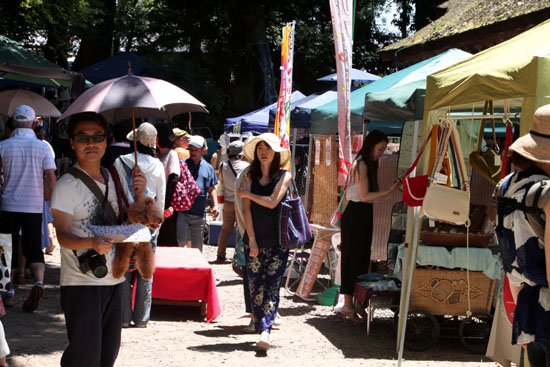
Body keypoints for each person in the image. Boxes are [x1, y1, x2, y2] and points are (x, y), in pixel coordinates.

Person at [51, 112, 146, 367]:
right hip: (81, 283)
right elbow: (63, 236)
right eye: (83, 138)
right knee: (84, 357)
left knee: (107, 355)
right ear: (72, 142)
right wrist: (92, 243)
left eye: (97, 137)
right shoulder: (66, 185)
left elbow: (131, 220)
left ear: (106, 142)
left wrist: (138, 194)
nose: (90, 144)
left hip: (115, 278)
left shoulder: (114, 176)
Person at [494, 104, 550, 367]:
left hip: (528, 309)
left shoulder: (506, 185)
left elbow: (511, 261)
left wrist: (524, 314)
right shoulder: (547, 194)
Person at [237, 133, 292, 351]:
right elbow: (246, 210)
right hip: (254, 239)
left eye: (268, 148)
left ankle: (265, 332)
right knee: (254, 287)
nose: (263, 151)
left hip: (279, 242)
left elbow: (271, 202)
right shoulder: (249, 176)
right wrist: (251, 239)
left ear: (276, 152)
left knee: (272, 287)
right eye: (260, 148)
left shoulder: (284, 176)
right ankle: (260, 324)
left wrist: (246, 194)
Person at [0, 105, 57, 312]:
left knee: (7, 247)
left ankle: (8, 292)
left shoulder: (3, 146)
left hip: (8, 204)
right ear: (34, 124)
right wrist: (53, 199)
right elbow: (50, 175)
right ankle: (39, 282)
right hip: (34, 205)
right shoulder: (42, 147)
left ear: (14, 123)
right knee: (34, 247)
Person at [339, 130, 399, 320]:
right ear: (371, 145)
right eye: (380, 149)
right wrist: (389, 191)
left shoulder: (371, 164)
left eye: (384, 149)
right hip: (356, 212)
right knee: (352, 257)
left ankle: (358, 303)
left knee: (363, 257)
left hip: (364, 212)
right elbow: (364, 196)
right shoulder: (362, 164)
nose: (381, 153)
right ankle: (348, 305)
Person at [114, 122, 165, 328]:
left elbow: (117, 192)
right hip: (149, 221)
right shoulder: (158, 165)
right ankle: (143, 318)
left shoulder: (120, 162)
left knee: (124, 264)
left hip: (127, 218)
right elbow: (161, 198)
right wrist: (157, 223)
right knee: (146, 267)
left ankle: (124, 317)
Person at [177, 135, 218, 250]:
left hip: (199, 213)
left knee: (197, 247)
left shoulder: (208, 168)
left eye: (196, 149)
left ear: (203, 150)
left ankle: (195, 267)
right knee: (181, 242)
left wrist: (215, 206)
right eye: (191, 149)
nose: (193, 152)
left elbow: (211, 189)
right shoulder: (182, 165)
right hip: (182, 212)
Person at [212, 140, 249, 264]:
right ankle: (238, 256)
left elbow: (221, 181)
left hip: (227, 201)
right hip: (241, 202)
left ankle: (220, 255)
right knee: (241, 230)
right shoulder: (246, 167)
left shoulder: (223, 165)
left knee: (225, 230)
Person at [156, 123, 180, 247]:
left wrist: (166, 205)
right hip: (158, 201)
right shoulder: (157, 154)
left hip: (167, 204)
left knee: (167, 239)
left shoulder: (172, 154)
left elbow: (173, 178)